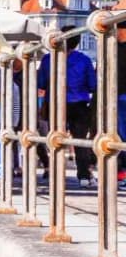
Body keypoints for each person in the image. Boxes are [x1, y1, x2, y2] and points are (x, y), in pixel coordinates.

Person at [38, 42, 98, 184]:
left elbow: (40, 83)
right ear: (76, 42)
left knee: (55, 138)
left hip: (55, 103)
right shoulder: (84, 60)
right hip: (79, 104)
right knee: (80, 140)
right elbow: (93, 85)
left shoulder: (47, 59)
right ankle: (83, 175)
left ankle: (56, 173)